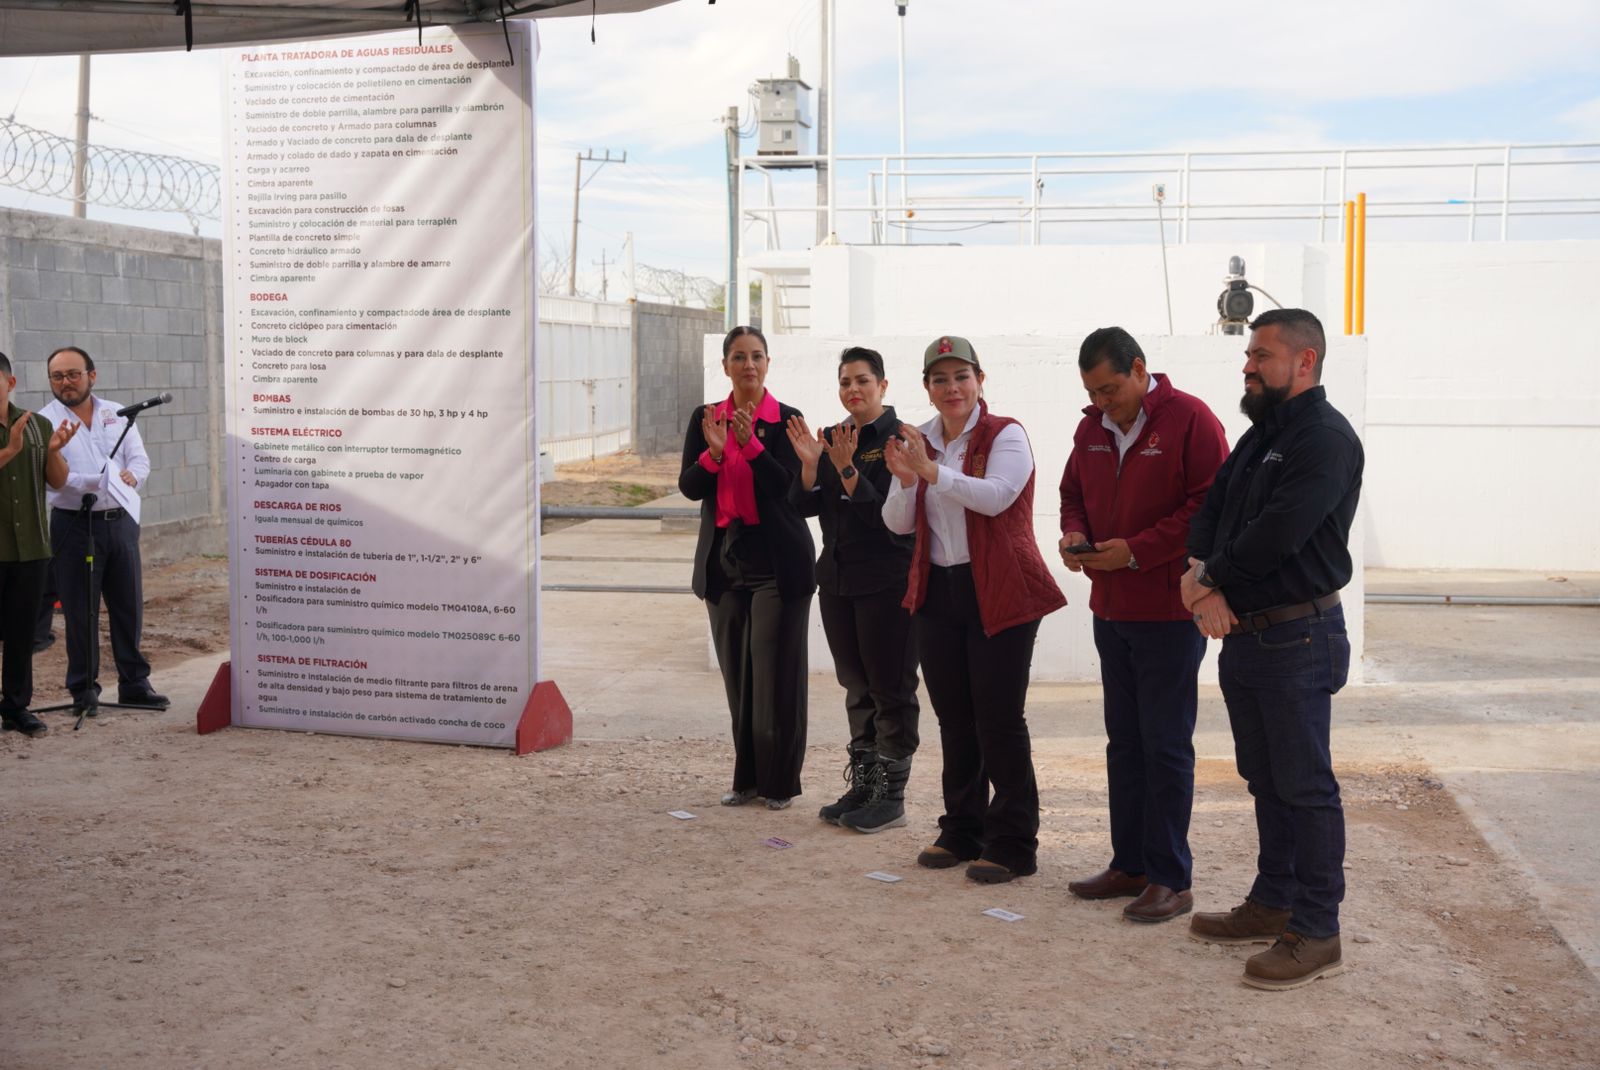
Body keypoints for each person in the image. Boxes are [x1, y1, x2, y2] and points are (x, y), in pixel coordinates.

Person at [1181, 308, 1362, 991]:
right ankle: (1272, 900)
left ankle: (1317, 931)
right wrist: (1207, 579)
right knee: (1265, 777)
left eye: (1260, 353)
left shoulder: (1324, 439)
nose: (1248, 364)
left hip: (1299, 636)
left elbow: (1277, 534)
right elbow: (1216, 508)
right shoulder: (1261, 437)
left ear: (1305, 361)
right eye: (1249, 353)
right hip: (1248, 635)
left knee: (1306, 787)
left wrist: (1205, 580)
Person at [1058, 327, 1229, 922]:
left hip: (1166, 613)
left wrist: (1134, 551)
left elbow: (1210, 507)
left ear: (1139, 368)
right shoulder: (1090, 428)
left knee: (1164, 744)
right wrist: (1074, 534)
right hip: (1111, 609)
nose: (1103, 403)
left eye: (1110, 389)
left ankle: (1170, 878)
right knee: (1124, 743)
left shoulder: (1191, 419)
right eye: (1093, 393)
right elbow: (1071, 491)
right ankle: (1128, 864)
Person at [883, 336, 1066, 884]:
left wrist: (933, 473)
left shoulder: (1005, 433)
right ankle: (962, 828)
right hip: (940, 590)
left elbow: (997, 496)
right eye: (940, 379)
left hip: (1002, 590)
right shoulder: (920, 440)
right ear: (928, 388)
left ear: (980, 380)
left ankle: (1013, 842)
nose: (952, 388)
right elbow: (898, 522)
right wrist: (905, 479)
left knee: (999, 719)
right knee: (955, 718)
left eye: (961, 376)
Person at [679, 326, 816, 810]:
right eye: (739, 357)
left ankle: (779, 783)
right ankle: (747, 779)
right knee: (738, 676)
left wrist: (751, 446)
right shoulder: (705, 418)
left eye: (757, 356)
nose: (748, 365)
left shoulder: (788, 420)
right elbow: (690, 487)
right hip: (724, 561)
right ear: (725, 366)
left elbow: (788, 490)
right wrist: (715, 453)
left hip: (777, 561)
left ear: (768, 363)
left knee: (774, 675)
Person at [786, 347, 920, 833]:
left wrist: (845, 469)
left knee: (891, 687)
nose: (853, 390)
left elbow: (888, 519)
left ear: (883, 386)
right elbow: (805, 506)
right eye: (845, 382)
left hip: (886, 581)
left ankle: (892, 797)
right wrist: (809, 465)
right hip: (838, 580)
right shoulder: (836, 437)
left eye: (862, 380)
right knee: (856, 685)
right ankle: (865, 784)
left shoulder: (901, 440)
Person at [38, 345, 169, 711]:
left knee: (127, 605)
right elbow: (54, 482)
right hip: (75, 524)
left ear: (91, 376)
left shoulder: (117, 414)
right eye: (58, 376)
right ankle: (84, 690)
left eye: (73, 374)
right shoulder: (44, 421)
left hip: (121, 522)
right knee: (81, 611)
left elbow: (139, 459)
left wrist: (131, 476)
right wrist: (98, 482)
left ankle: (134, 684)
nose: (66, 382)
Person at [0, 349, 78, 737]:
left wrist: (52, 452)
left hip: (30, 547)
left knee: (20, 634)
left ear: (9, 383)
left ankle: (16, 707)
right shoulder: (18, 437)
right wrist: (11, 450)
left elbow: (59, 482)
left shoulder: (36, 425)